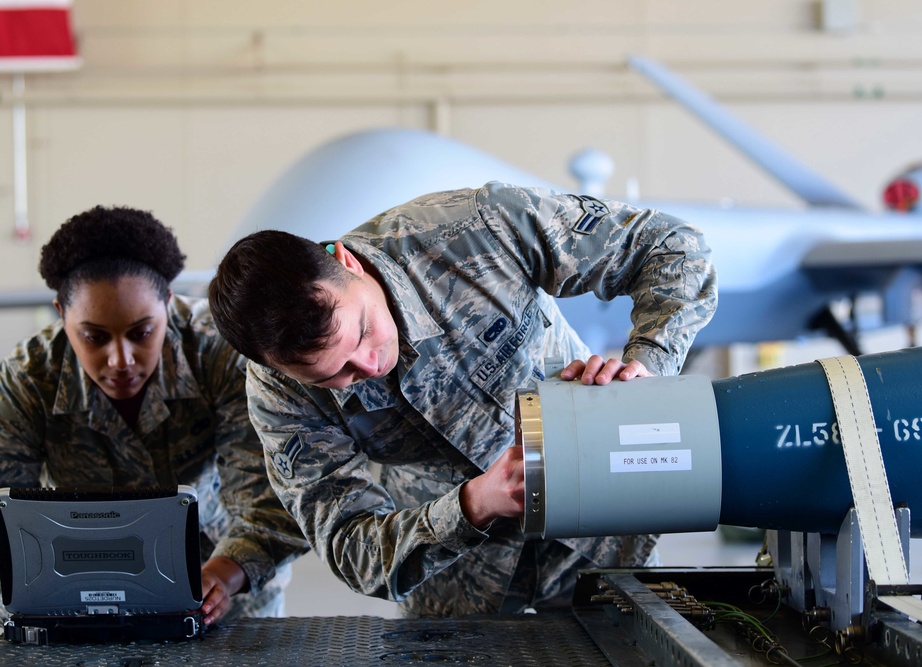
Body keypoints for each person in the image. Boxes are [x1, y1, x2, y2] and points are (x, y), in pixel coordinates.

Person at [208, 181, 717, 617]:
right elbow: (348, 547)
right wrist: (473, 505)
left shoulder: (472, 229)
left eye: (363, 330)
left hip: (598, 525)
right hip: (457, 581)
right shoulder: (278, 393)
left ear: (347, 262)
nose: (368, 365)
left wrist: (645, 366)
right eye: (333, 374)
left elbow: (673, 247)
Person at [0, 206, 310, 625]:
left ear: (167, 302)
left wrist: (226, 573)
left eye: (141, 332)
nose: (121, 360)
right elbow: (7, 512)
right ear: (60, 312)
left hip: (223, 584)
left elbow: (276, 492)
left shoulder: (220, 352)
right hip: (81, 588)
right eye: (94, 337)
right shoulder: (29, 378)